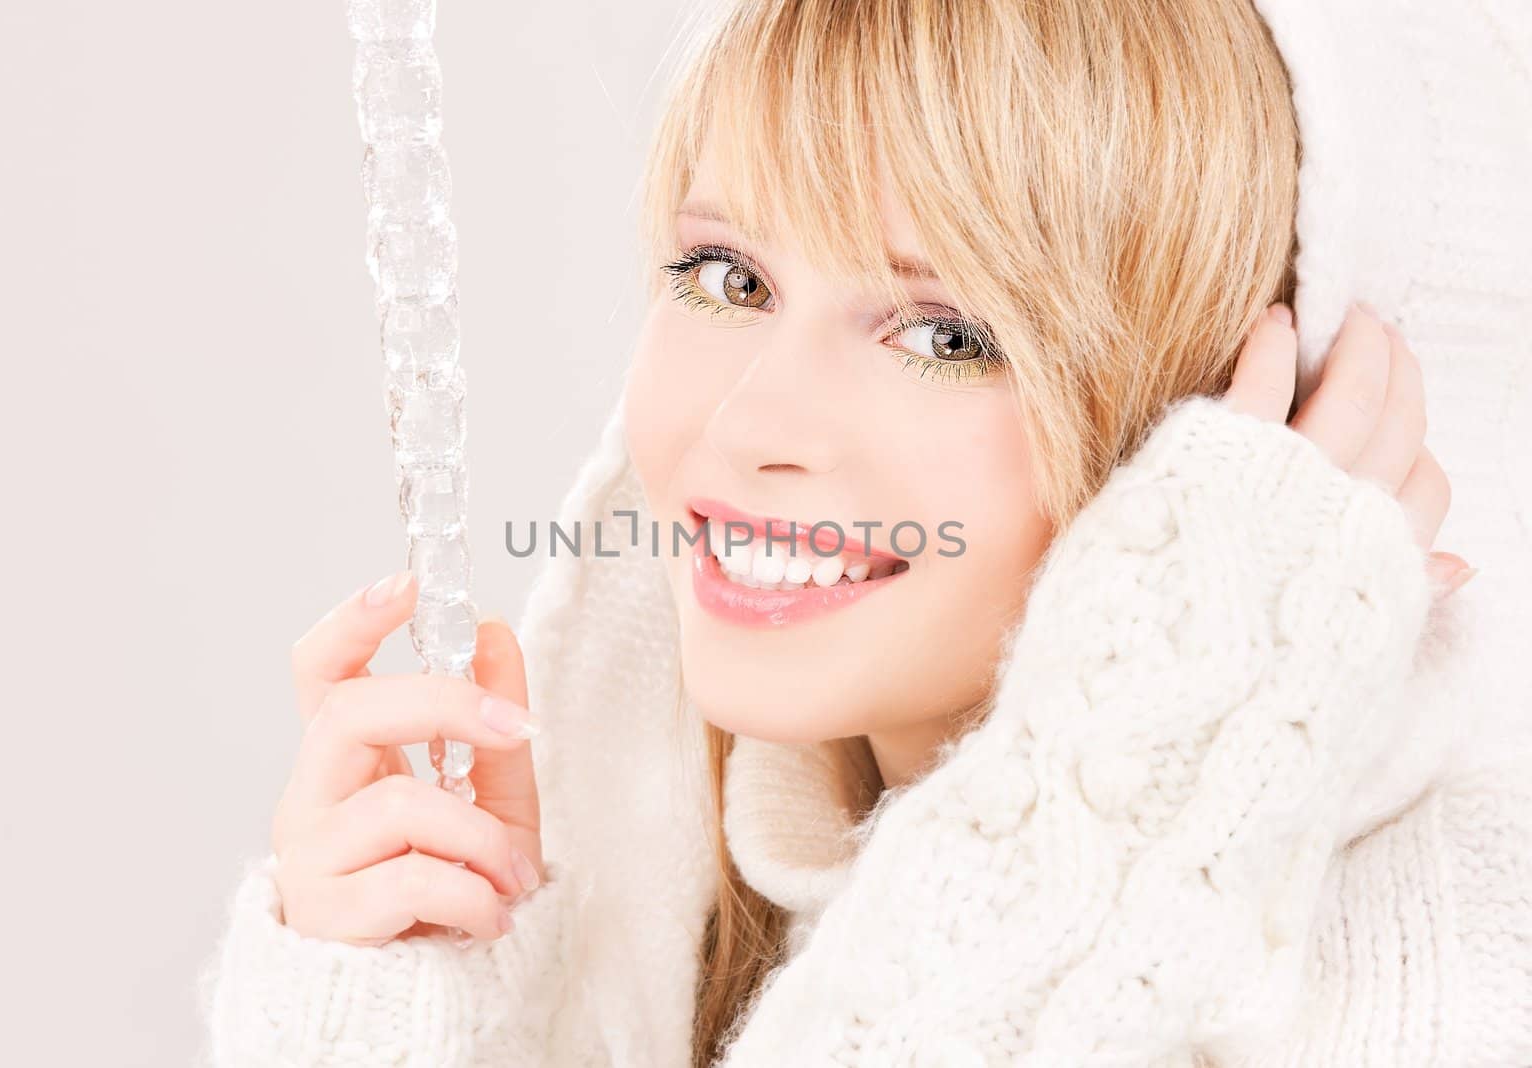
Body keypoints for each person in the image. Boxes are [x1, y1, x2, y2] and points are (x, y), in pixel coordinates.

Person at [200, 0, 1532, 1063]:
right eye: (730, 278)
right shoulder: (700, 887)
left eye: (947, 334)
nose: (747, 422)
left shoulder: (1451, 981)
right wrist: (408, 1024)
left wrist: (1115, 792)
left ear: (1271, 427)